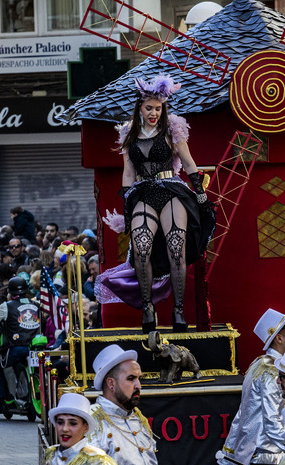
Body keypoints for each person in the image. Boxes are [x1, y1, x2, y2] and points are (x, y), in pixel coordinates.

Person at [118, 75, 214, 332]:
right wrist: (126, 204)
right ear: (140, 106)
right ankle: (148, 307)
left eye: (158, 108)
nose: (153, 113)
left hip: (171, 190)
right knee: (141, 247)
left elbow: (189, 162)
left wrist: (200, 193)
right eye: (149, 108)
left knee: (176, 249)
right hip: (142, 192)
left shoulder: (173, 127)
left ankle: (178, 310)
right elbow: (128, 171)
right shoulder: (129, 132)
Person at [215, 309, 285, 465]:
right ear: (279, 337)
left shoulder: (257, 365)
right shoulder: (274, 372)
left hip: (249, 456)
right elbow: (272, 421)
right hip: (267, 458)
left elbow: (242, 414)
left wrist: (228, 455)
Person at [0, 275, 42, 415]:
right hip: (37, 347)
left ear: (10, 292)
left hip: (18, 348)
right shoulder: (36, 304)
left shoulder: (6, 306)